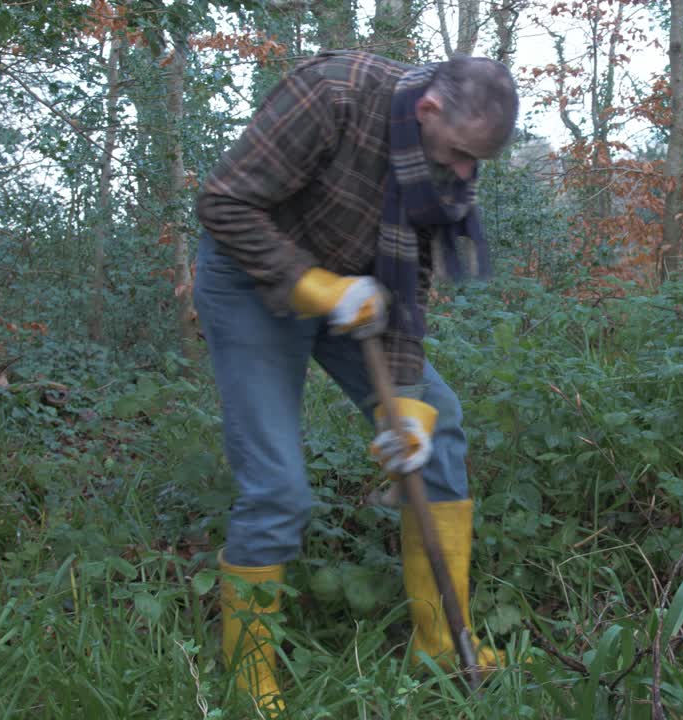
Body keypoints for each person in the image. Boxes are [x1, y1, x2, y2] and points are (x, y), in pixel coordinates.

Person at [193, 50, 518, 715]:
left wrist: (401, 403)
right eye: (459, 153)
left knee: (440, 420)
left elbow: (408, 283)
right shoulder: (334, 96)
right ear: (429, 109)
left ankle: (439, 642)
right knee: (278, 487)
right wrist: (313, 286)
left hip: (358, 292)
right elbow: (223, 202)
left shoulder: (441, 169)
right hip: (253, 281)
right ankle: (249, 681)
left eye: (475, 162)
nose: (464, 173)